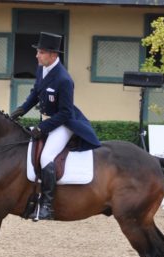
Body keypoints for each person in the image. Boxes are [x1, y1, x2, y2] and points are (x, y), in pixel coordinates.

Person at [10, 32, 101, 221]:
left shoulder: (64, 79)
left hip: (64, 123)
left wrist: (42, 129)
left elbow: (66, 113)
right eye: (38, 52)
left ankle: (47, 206)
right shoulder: (42, 69)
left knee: (46, 157)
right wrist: (20, 110)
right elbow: (36, 92)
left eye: (41, 52)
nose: (37, 56)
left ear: (52, 55)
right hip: (49, 121)